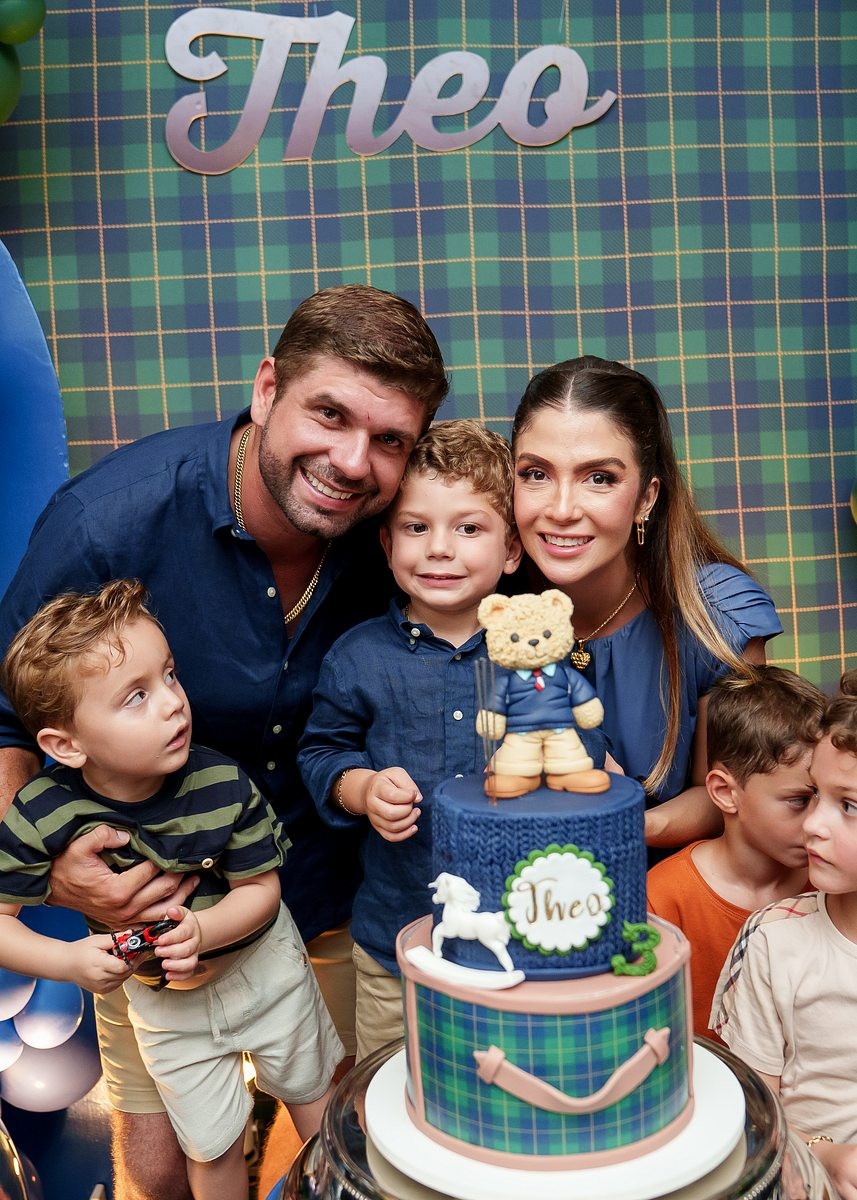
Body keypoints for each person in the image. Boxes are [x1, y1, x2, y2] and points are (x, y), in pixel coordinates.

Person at [0, 285, 448, 1200]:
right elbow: (7, 721)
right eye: (330, 414)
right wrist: (59, 877)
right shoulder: (107, 524)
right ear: (267, 388)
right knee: (164, 1163)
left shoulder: (407, 535)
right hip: (146, 916)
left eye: (390, 440)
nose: (352, 462)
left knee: (344, 1132)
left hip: (332, 892)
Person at [0, 581, 343, 1200]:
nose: (173, 704)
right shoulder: (41, 813)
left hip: (266, 975)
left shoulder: (221, 781)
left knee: (319, 1110)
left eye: (170, 676)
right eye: (136, 696)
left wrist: (203, 930)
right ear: (65, 745)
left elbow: (263, 890)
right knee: (209, 1149)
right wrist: (67, 962)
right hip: (167, 1007)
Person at [297, 421, 538, 1059]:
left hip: (519, 940)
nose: (439, 549)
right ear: (386, 542)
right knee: (393, 1082)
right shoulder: (358, 656)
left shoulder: (535, 651)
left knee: (505, 1078)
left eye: (469, 528)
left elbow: (577, 747)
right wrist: (363, 789)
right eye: (415, 527)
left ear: (511, 550)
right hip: (395, 943)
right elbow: (322, 753)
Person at [510, 356, 782, 848]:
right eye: (536, 474)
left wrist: (625, 821)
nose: (562, 509)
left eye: (599, 478)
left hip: (663, 878)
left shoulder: (716, 615)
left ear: (646, 497)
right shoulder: (486, 603)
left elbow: (730, 795)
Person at [710, 671, 857, 1200]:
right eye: (814, 796)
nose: (813, 824)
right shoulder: (775, 941)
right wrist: (822, 1152)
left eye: (850, 806)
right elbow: (754, 1118)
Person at [647, 666, 824, 1039]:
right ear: (726, 793)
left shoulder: (832, 883)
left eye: (829, 798)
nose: (818, 822)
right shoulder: (662, 898)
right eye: (799, 800)